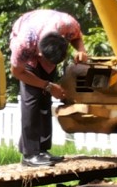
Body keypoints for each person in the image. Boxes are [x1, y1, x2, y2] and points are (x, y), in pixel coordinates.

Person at [9, 9, 88, 167]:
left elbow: (78, 37)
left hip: (45, 32)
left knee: (45, 101)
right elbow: (17, 72)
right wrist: (48, 85)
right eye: (46, 61)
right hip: (26, 59)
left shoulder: (68, 25)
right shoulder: (24, 45)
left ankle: (43, 150)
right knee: (32, 101)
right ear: (39, 53)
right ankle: (30, 155)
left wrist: (81, 51)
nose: (48, 66)